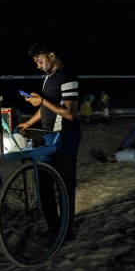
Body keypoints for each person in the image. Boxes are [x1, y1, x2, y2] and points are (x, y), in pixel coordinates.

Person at [18, 42, 81, 241]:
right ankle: (55, 229)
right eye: (36, 62)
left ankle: (66, 232)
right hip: (48, 135)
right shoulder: (49, 78)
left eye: (40, 61)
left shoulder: (67, 76)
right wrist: (29, 122)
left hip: (65, 136)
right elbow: (48, 107)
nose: (38, 66)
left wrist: (42, 101)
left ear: (51, 55)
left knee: (64, 185)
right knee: (44, 183)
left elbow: (70, 114)